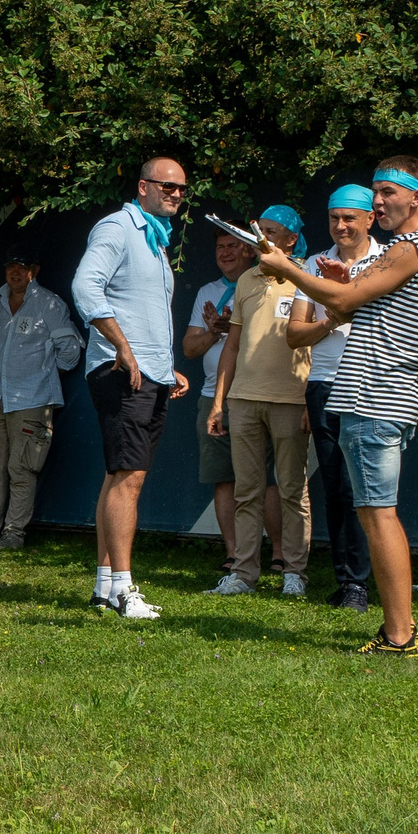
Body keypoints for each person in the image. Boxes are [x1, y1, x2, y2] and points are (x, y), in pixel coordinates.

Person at [258, 160, 418, 654]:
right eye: (375, 193)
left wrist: (289, 270)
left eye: (386, 193)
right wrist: (340, 283)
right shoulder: (405, 250)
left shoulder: (412, 247)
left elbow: (344, 296)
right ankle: (397, 630)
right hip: (371, 397)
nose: (377, 202)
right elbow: (344, 305)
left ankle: (400, 634)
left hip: (376, 396)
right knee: (374, 512)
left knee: (378, 514)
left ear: (416, 199)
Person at [72, 157, 192, 620]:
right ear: (143, 187)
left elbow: (141, 308)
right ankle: (124, 590)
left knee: (118, 476)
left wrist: (167, 366)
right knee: (129, 479)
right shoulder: (118, 227)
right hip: (121, 372)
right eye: (167, 186)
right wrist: (121, 345)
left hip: (148, 373)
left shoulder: (155, 237)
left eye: (182, 188)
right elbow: (86, 287)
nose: (176, 194)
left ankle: (105, 587)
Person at [204, 207, 314, 597]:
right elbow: (231, 346)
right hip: (243, 400)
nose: (261, 238)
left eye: (271, 232)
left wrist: (308, 402)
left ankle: (294, 574)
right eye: (259, 231)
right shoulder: (247, 280)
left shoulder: (307, 276)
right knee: (246, 491)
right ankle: (244, 574)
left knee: (291, 489)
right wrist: (219, 401)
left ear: (290, 239)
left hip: (290, 398)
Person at [287, 188, 382, 611]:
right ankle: (350, 582)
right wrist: (332, 320)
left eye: (350, 218)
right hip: (323, 384)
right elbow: (295, 334)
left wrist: (341, 309)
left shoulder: (388, 260)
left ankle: (366, 582)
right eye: (333, 219)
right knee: (338, 489)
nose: (341, 227)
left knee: (370, 489)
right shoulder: (313, 265)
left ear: (370, 220)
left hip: (372, 384)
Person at [0, 250, 81, 550]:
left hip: (33, 398)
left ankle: (13, 533)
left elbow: (70, 350)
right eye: (10, 267)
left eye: (21, 267)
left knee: (22, 469)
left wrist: (43, 372)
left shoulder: (48, 303)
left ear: (34, 270)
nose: (15, 273)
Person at [184, 227, 255, 574]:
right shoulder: (207, 293)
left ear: (251, 252)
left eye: (234, 246)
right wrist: (214, 331)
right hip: (212, 397)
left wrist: (237, 328)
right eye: (220, 247)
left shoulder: (260, 285)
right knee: (223, 478)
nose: (225, 252)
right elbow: (189, 348)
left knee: (263, 479)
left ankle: (276, 557)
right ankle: (233, 553)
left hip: (254, 394)